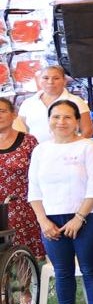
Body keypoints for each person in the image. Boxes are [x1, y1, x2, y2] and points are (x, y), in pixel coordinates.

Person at [27, 100, 93, 304]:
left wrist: (79, 217)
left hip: (87, 217)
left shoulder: (88, 147)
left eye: (67, 117)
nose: (61, 122)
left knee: (90, 268)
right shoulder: (40, 150)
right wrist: (43, 221)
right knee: (62, 272)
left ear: (76, 121)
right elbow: (34, 190)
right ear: (49, 120)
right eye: (56, 117)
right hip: (51, 220)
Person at [0, 98, 42, 258]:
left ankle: (27, 282)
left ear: (14, 114)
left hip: (23, 206)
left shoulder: (28, 141)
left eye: (2, 111)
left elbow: (40, 173)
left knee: (24, 257)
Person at [18, 66, 92, 141]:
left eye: (56, 78)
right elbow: (21, 130)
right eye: (45, 78)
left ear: (64, 81)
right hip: (37, 151)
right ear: (38, 80)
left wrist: (74, 148)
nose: (50, 82)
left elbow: (87, 131)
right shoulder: (28, 103)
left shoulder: (76, 101)